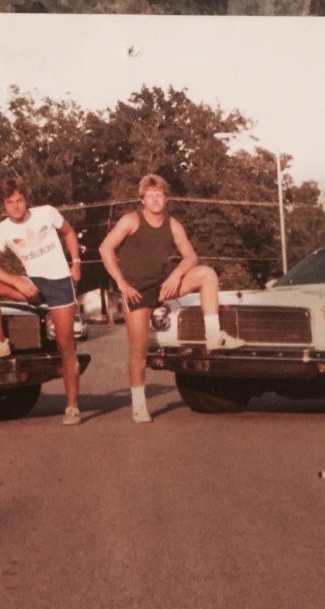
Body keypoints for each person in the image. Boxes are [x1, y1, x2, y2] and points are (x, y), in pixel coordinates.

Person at [99, 174, 245, 423]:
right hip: (136, 290)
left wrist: (176, 276)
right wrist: (121, 283)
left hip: (163, 283)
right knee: (139, 351)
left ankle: (213, 335)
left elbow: (190, 257)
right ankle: (139, 404)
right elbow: (105, 248)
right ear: (142, 199)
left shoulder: (174, 224)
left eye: (160, 195)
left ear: (166, 199)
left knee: (207, 275)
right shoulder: (130, 220)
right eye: (150, 196)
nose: (155, 200)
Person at [0, 178, 84, 426]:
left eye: (19, 200)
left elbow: (68, 232)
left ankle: (73, 407)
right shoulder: (1, 229)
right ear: (4, 205)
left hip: (59, 283)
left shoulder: (46, 213)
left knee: (65, 345)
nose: (15, 206)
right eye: (10, 202)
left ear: (26, 199)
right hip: (32, 284)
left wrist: (76, 262)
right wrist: (17, 281)